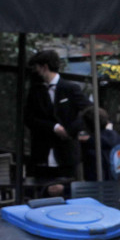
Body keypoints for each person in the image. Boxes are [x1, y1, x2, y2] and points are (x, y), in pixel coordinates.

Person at [24, 49, 89, 196]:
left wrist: (70, 130)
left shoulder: (70, 89)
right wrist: (54, 127)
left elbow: (88, 112)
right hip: (42, 153)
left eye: (37, 68)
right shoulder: (35, 91)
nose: (35, 72)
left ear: (44, 67)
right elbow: (29, 118)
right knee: (42, 193)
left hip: (66, 153)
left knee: (67, 193)